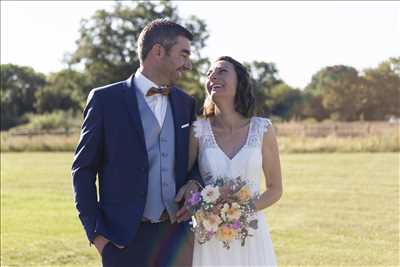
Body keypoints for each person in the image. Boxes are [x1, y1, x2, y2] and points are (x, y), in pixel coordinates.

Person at [72, 19, 202, 267]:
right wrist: (98, 236)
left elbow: (194, 161)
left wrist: (194, 182)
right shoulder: (105, 100)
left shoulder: (186, 103)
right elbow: (83, 170)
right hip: (123, 241)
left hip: (176, 238)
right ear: (158, 51)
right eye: (183, 54)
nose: (188, 64)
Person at [188, 56, 283, 266]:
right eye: (209, 73)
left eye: (221, 71)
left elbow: (275, 189)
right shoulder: (198, 130)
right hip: (210, 235)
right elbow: (186, 181)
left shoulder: (262, 129)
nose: (213, 76)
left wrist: (239, 212)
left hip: (250, 235)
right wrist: (207, 208)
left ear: (240, 82)